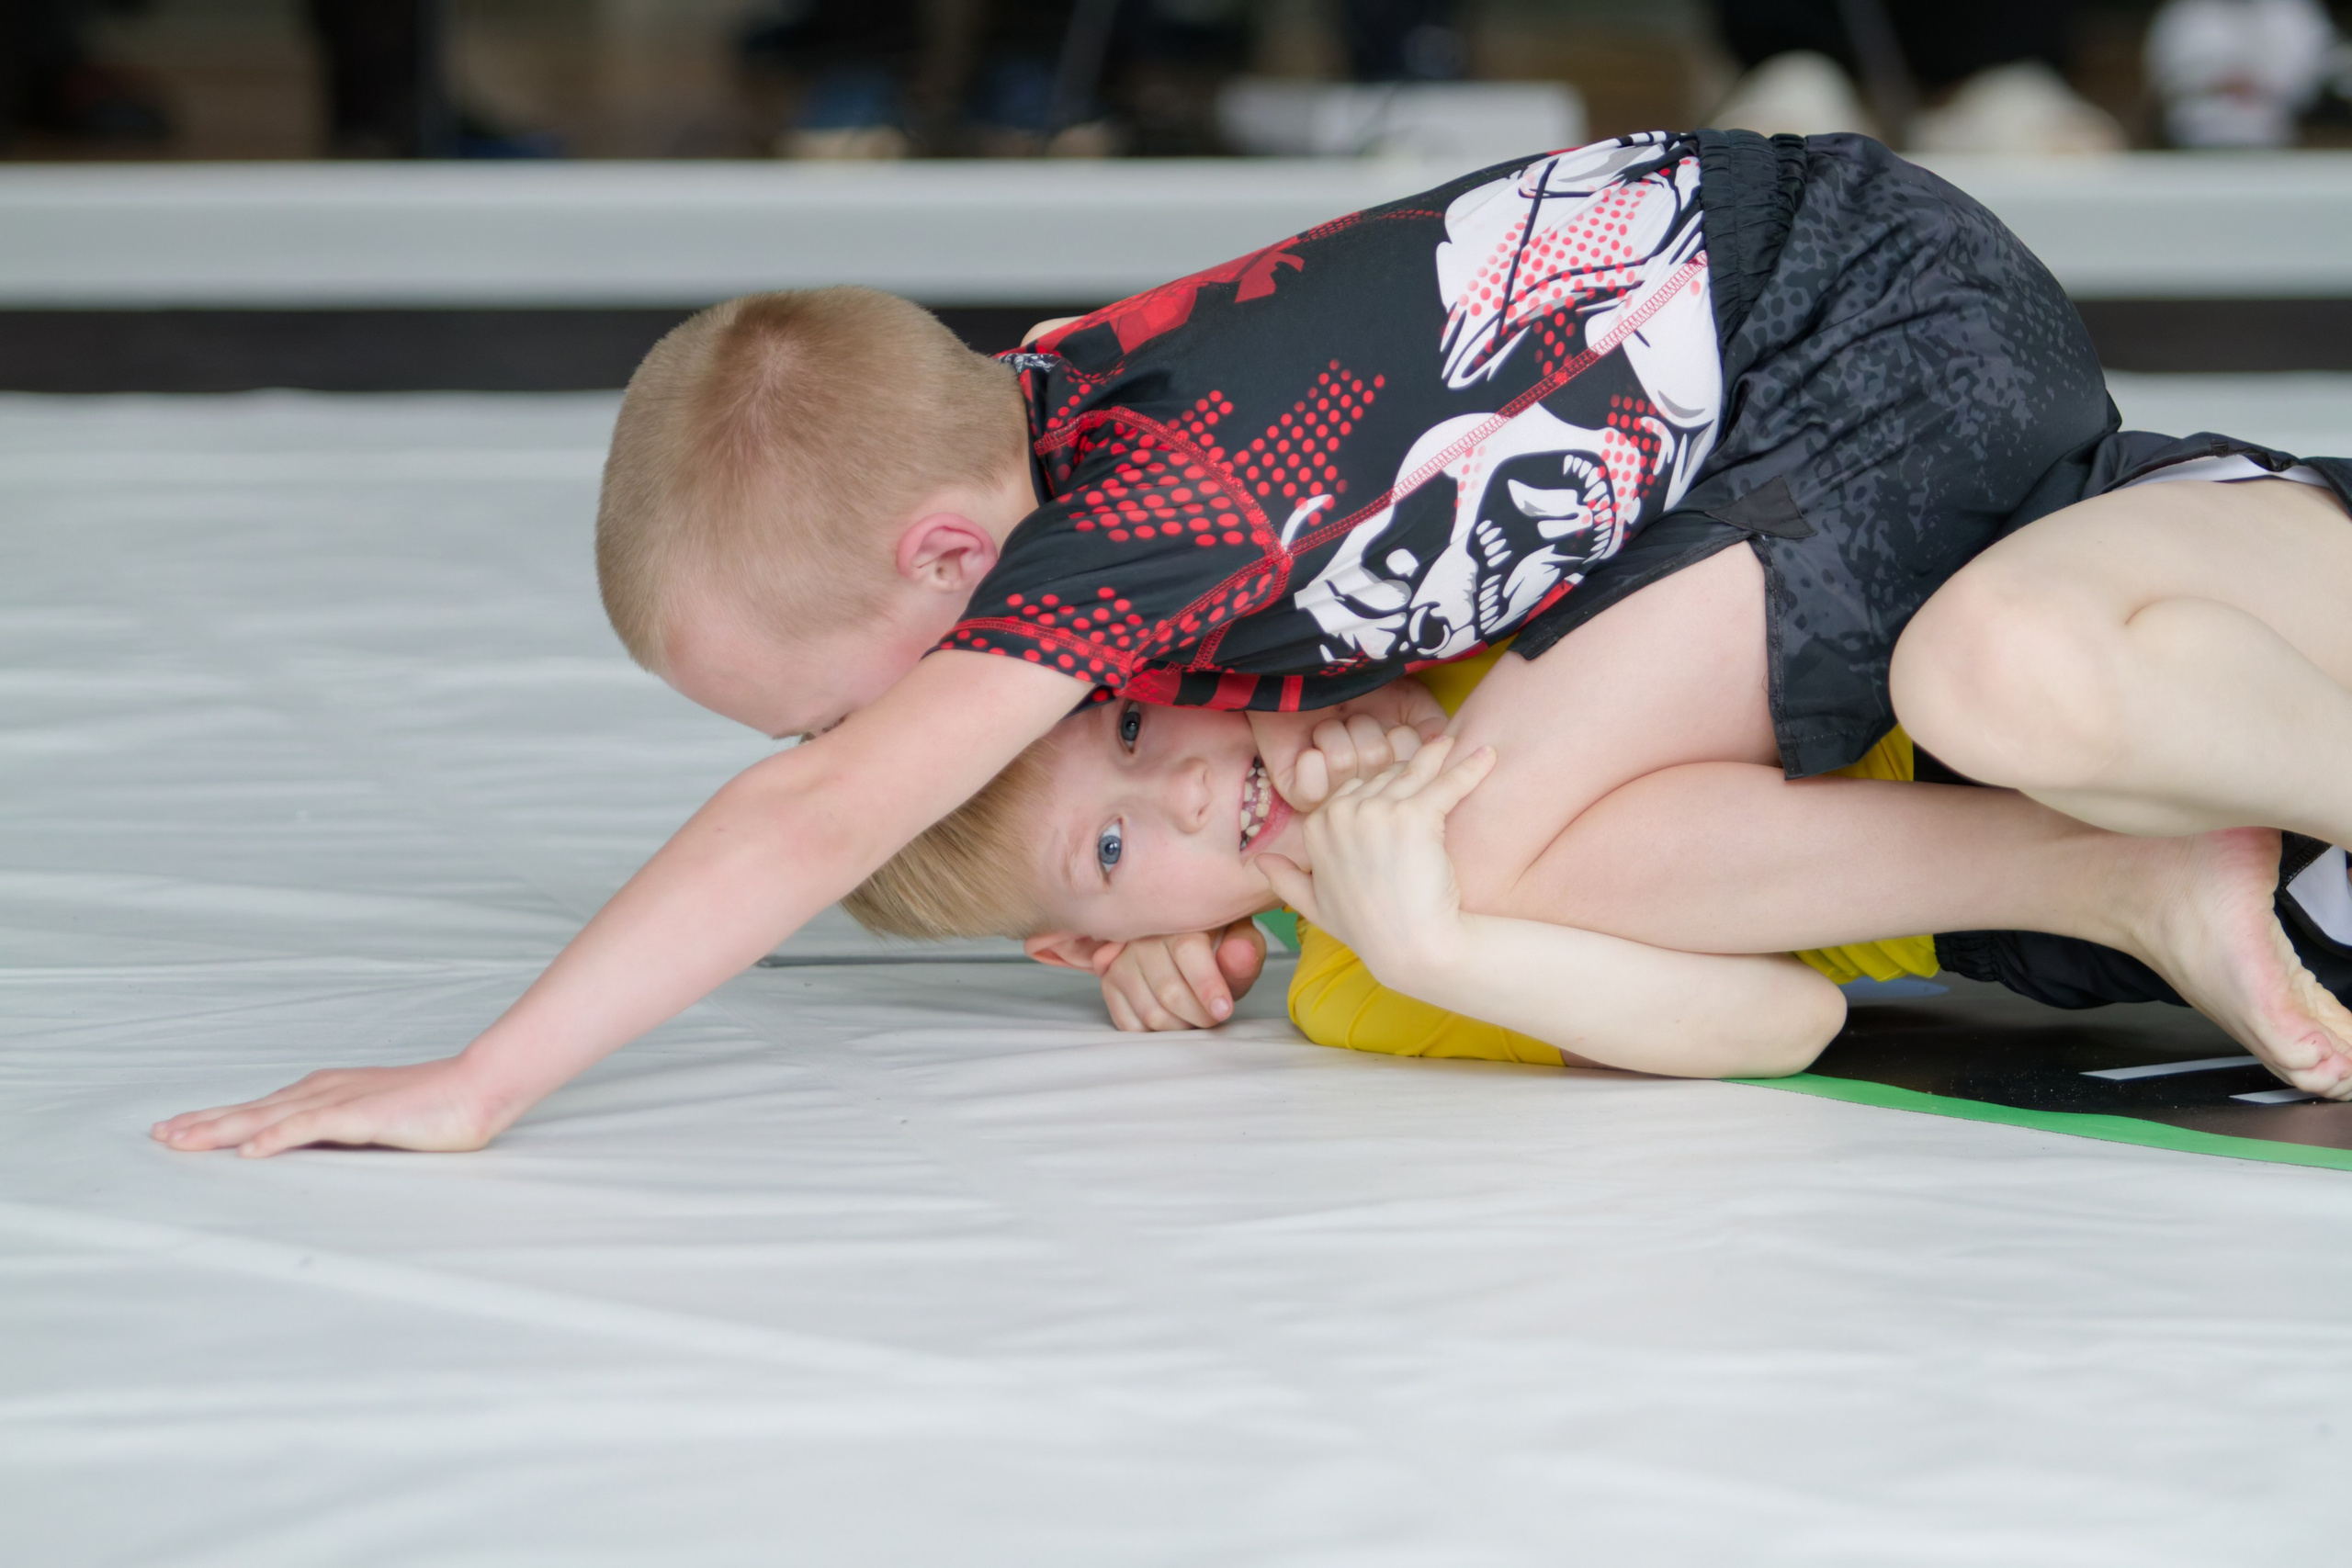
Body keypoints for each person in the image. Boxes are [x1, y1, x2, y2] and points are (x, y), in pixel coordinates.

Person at [152, 130, 2352, 1158]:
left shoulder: (1139, 511)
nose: (881, 742)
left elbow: (811, 822)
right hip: (1825, 349)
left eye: (848, 701)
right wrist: (1149, 911)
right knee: (1471, 845)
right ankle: (2115, 870)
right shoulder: (1081, 434)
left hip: (1857, 341)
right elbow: (1232, 739)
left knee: (1479, 840)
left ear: (950, 555)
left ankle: (2119, 875)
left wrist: (484, 1076)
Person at [842, 647, 2352, 1072]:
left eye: (1125, 727)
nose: (1179, 786)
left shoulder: (1413, 618)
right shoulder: (1360, 986)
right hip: (2067, 912)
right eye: (1112, 846)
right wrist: (1435, 946)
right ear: (1088, 943)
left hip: (2031, 658)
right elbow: (1790, 1021)